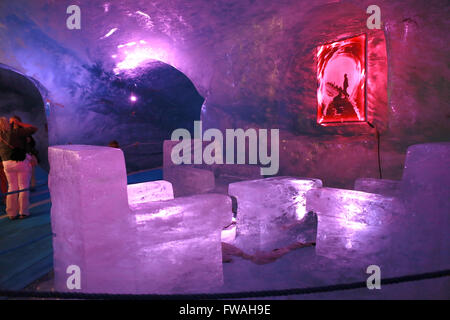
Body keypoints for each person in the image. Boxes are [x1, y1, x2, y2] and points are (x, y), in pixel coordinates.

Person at [0, 117, 38, 220]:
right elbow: (33, 128)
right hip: (20, 163)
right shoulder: (15, 133)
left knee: (11, 187)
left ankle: (12, 213)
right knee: (23, 186)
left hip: (6, 164)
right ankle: (23, 212)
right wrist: (18, 122)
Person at [11, 116, 39, 190]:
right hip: (16, 157)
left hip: (27, 154)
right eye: (12, 121)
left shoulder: (24, 131)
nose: (14, 123)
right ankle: (23, 190)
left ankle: (32, 187)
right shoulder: (9, 133)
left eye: (15, 121)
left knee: (31, 172)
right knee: (19, 177)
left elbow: (33, 143)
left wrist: (30, 141)